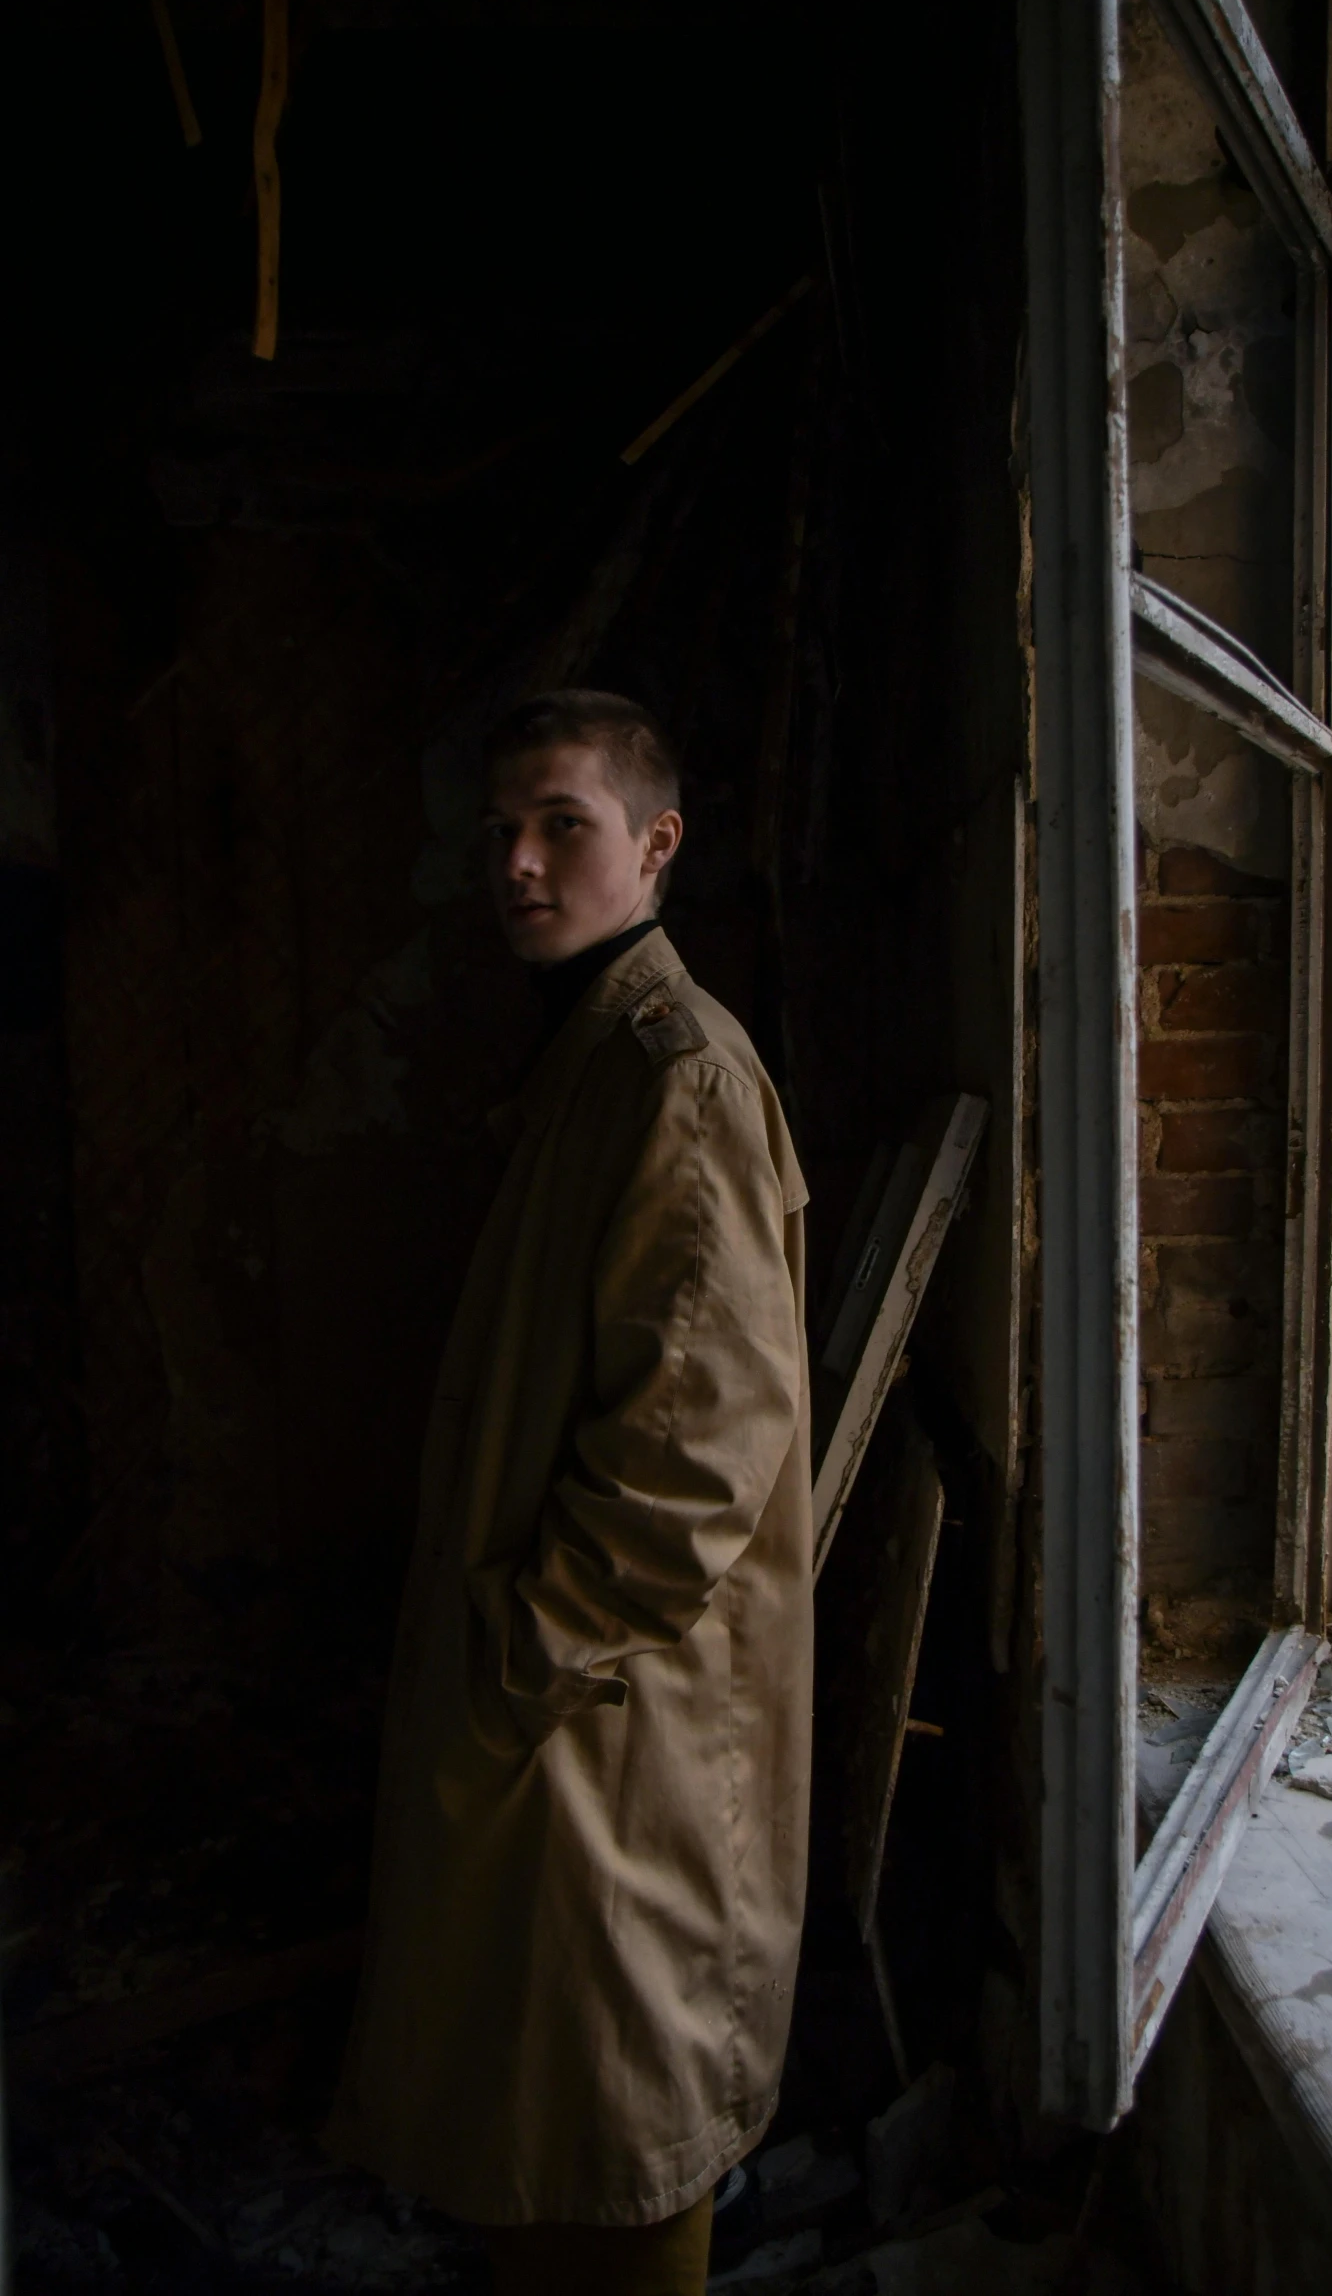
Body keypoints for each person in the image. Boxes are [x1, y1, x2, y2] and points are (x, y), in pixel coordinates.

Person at [326, 691, 813, 2296]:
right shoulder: (594, 1050)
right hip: (577, 1697)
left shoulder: (677, 1072)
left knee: (622, 2103)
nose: (519, 863)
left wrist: (534, 1641)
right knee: (550, 2088)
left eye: (562, 826)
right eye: (499, 834)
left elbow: (698, 1444)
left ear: (656, 843)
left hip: (615, 1704)